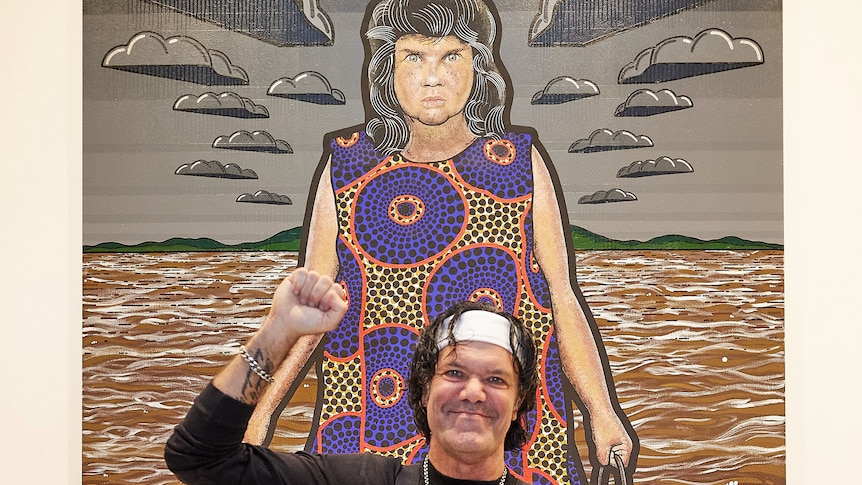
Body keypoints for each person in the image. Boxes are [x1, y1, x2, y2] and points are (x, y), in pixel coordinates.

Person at [247, 0, 638, 483]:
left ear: (478, 67)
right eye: (414, 57)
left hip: (503, 425)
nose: (433, 77)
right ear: (387, 69)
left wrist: (601, 411)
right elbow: (309, 310)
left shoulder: (517, 165)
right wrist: (260, 414)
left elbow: (561, 296)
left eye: (451, 56)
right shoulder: (348, 167)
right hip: (374, 415)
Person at [165, 268, 540, 485]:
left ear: (518, 402)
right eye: (454, 372)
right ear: (425, 391)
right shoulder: (360, 479)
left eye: (495, 380)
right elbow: (199, 458)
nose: (473, 392)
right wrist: (279, 332)